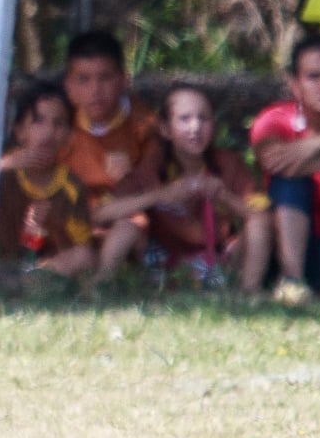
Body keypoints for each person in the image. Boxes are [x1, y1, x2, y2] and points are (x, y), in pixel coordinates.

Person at [93, 85, 273, 290]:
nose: (195, 127)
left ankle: (249, 294)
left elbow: (263, 214)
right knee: (128, 225)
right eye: (184, 119)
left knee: (259, 223)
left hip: (217, 259)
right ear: (165, 129)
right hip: (161, 262)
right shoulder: (151, 166)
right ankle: (100, 286)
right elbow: (100, 213)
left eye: (203, 118)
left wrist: (224, 196)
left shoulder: (229, 163)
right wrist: (158, 196)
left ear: (213, 124)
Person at [251, 34, 320, 304]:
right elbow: (274, 162)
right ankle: (292, 281)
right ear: (295, 85)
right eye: (314, 76)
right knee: (288, 182)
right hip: (301, 241)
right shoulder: (275, 120)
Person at [0, 81, 97, 277]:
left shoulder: (71, 187)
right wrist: (0, 166)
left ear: (69, 136)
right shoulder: (0, 172)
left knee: (84, 256)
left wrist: (47, 229)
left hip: (43, 268)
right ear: (19, 132)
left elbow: (82, 250)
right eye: (38, 121)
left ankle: (30, 279)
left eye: (58, 124)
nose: (48, 132)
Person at [59, 31, 156, 214]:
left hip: (126, 220)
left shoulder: (145, 126)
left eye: (105, 78)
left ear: (123, 80)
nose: (95, 90)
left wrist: (130, 177)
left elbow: (154, 191)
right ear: (69, 86)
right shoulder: (60, 125)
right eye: (83, 79)